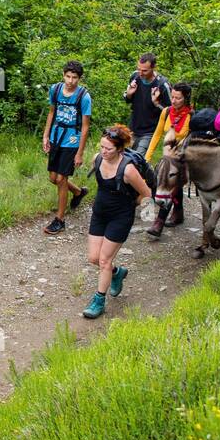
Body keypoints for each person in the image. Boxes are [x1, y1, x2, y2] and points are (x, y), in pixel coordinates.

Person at [83, 125, 153, 320]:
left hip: (120, 217)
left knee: (104, 260)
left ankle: (99, 301)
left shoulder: (128, 170)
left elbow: (146, 194)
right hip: (99, 213)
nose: (104, 152)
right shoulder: (97, 159)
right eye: (102, 147)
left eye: (109, 149)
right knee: (94, 258)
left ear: (120, 149)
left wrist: (133, 207)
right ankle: (117, 273)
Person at [41, 60, 92, 235]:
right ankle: (78, 192)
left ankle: (60, 220)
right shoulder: (55, 90)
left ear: (79, 78)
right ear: (63, 75)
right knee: (53, 178)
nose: (70, 81)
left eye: (74, 77)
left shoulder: (83, 97)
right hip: (56, 135)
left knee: (61, 180)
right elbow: (51, 112)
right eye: (68, 76)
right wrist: (46, 135)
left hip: (72, 139)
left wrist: (80, 153)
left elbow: (85, 126)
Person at [145, 82, 194, 238]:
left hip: (185, 158)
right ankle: (178, 212)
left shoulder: (192, 115)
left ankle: (159, 221)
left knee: (171, 183)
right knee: (164, 182)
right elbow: (157, 134)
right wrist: (148, 155)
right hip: (168, 156)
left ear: (185, 99)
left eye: (178, 98)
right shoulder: (166, 112)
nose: (173, 101)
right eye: (172, 97)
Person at [123, 53, 172, 158]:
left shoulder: (163, 85)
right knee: (125, 158)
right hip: (133, 127)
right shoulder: (135, 76)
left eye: (145, 70)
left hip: (149, 131)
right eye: (139, 69)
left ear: (154, 68)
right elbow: (127, 99)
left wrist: (156, 103)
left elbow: (171, 112)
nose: (141, 73)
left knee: (137, 159)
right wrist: (129, 94)